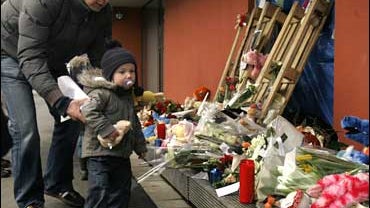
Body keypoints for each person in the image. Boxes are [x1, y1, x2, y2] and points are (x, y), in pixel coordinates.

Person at [1, 0, 112, 207]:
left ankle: (57, 183)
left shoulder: (103, 11)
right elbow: (30, 57)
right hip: (10, 53)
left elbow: (100, 58)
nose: (102, 0)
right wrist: (61, 102)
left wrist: (112, 92)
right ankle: (29, 200)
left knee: (71, 119)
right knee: (25, 129)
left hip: (51, 59)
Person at [78, 42, 147, 208]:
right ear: (110, 75)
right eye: (122, 72)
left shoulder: (127, 97)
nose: (128, 75)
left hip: (121, 155)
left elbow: (134, 124)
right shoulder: (101, 93)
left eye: (132, 71)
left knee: (121, 191)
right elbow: (88, 111)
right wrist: (106, 129)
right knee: (99, 191)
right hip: (98, 154)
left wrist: (140, 146)